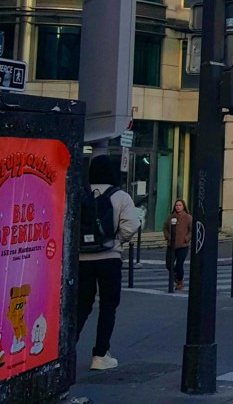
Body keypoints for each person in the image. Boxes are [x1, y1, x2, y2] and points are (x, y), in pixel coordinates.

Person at [76, 155, 140, 371]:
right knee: (108, 306)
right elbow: (130, 226)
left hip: (82, 258)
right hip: (109, 257)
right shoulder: (120, 196)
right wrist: (115, 241)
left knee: (81, 305)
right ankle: (100, 354)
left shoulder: (81, 194)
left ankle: (66, 349)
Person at [162, 200, 192, 292]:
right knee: (169, 264)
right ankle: (175, 274)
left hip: (183, 245)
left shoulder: (188, 217)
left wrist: (186, 238)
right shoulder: (170, 217)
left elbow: (191, 230)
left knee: (179, 264)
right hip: (171, 244)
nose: (178, 207)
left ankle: (180, 281)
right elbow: (165, 227)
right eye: (176, 205)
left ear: (183, 206)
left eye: (180, 205)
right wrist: (168, 237)